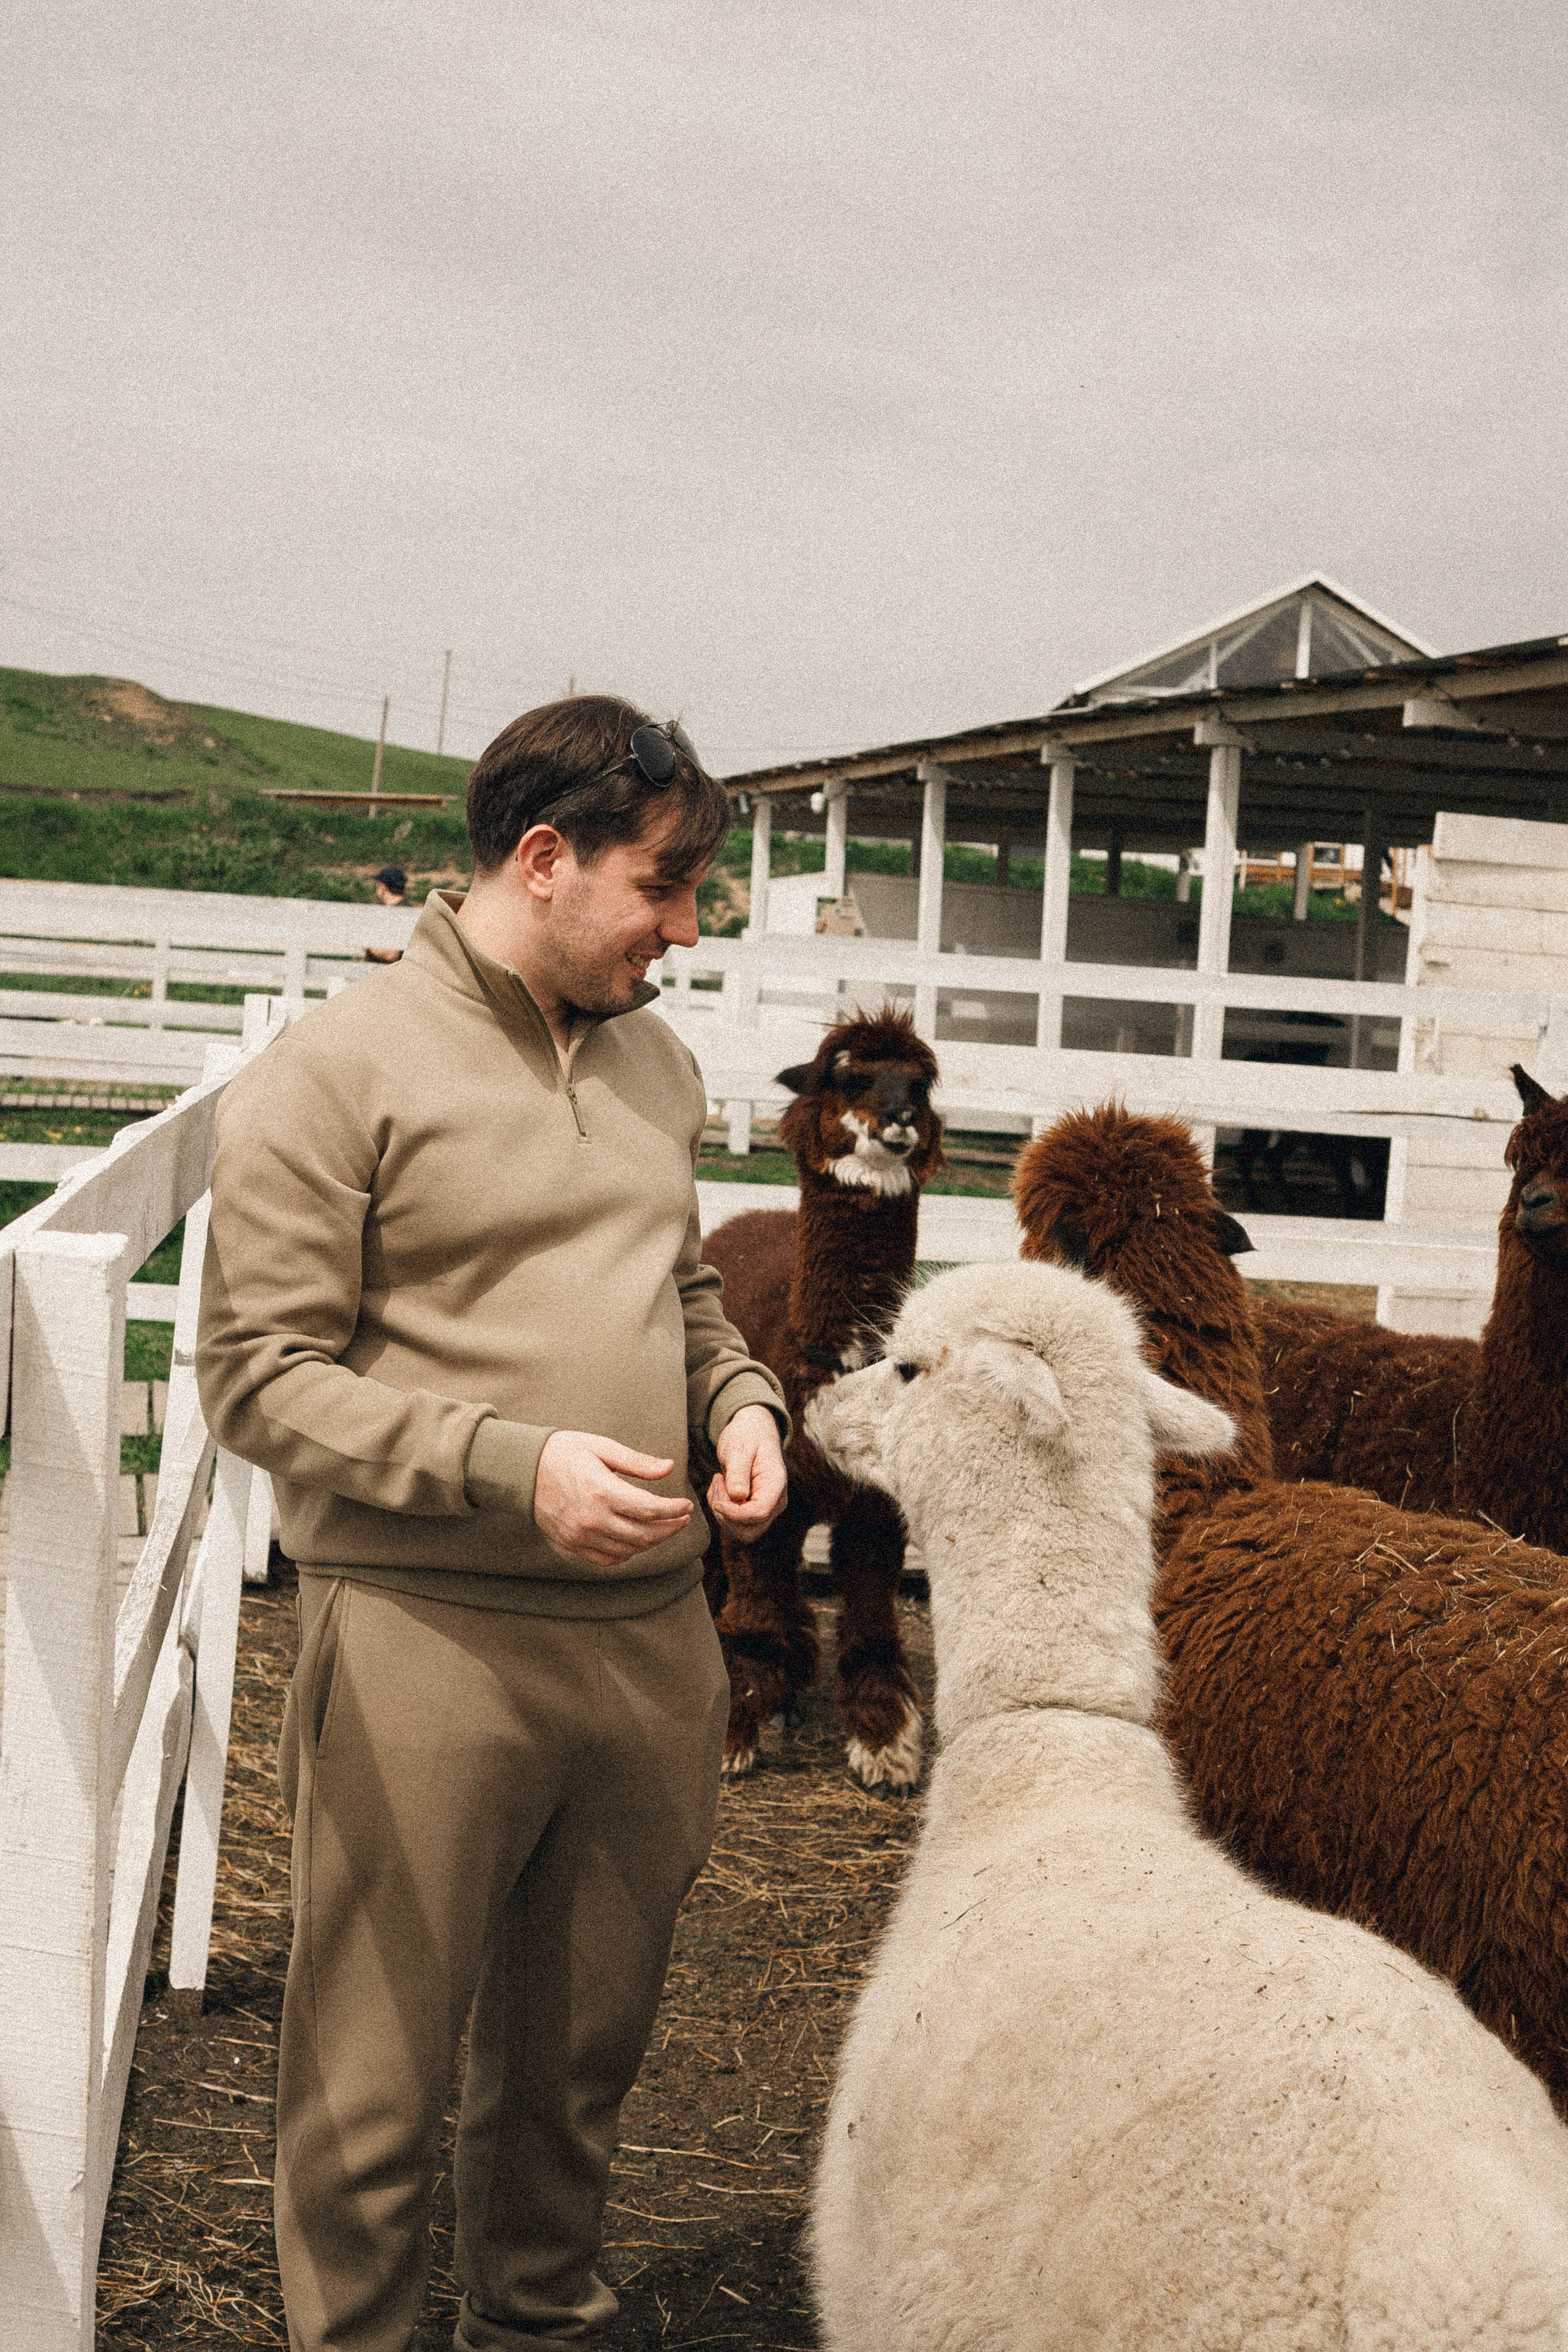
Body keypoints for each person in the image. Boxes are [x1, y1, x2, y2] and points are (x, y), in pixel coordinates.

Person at [197, 698, 790, 2351]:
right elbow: (254, 1376)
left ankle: (535, 2321)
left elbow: (678, 1290)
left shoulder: (656, 1064)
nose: (687, 929)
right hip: (426, 1641)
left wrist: (741, 1399)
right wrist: (507, 1466)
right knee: (370, 2088)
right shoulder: (339, 1071)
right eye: (662, 885)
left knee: (576, 2072)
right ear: (544, 858)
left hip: (647, 1645)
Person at [364, 863, 408, 963]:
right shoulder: (407, 909)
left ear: (382, 886)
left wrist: (367, 945)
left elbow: (391, 955)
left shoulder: (398, 914)